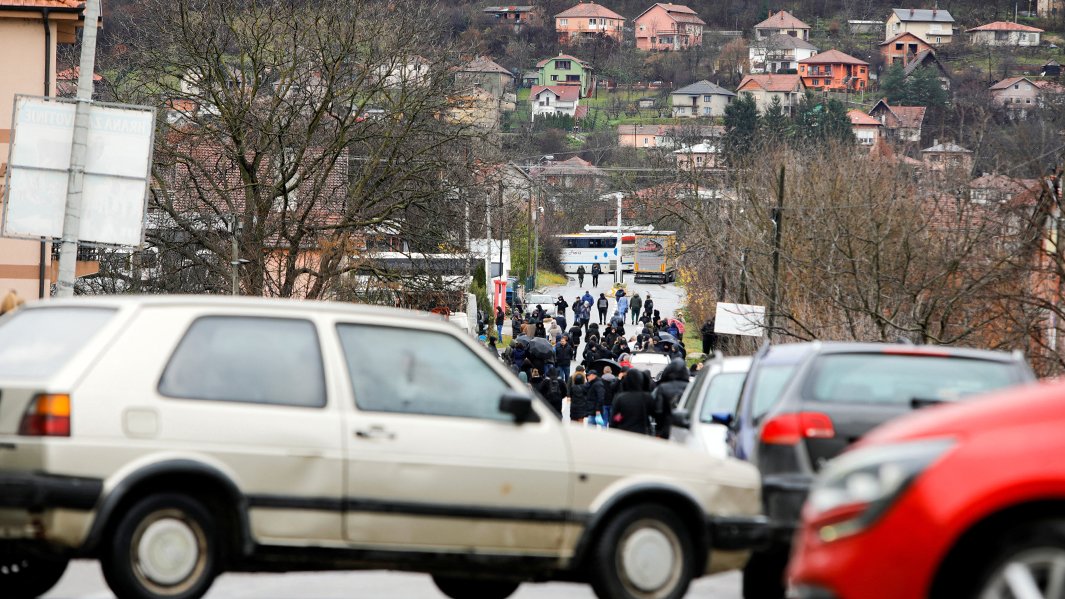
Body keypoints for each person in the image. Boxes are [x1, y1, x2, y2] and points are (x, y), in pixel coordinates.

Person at [651, 359, 690, 439]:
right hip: (686, 430)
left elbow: (658, 411)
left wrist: (658, 430)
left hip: (665, 429)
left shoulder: (662, 388)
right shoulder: (690, 387)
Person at [611, 369, 653, 435]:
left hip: (624, 432)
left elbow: (615, 418)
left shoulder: (620, 398)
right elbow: (654, 414)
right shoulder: (647, 397)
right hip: (641, 433)